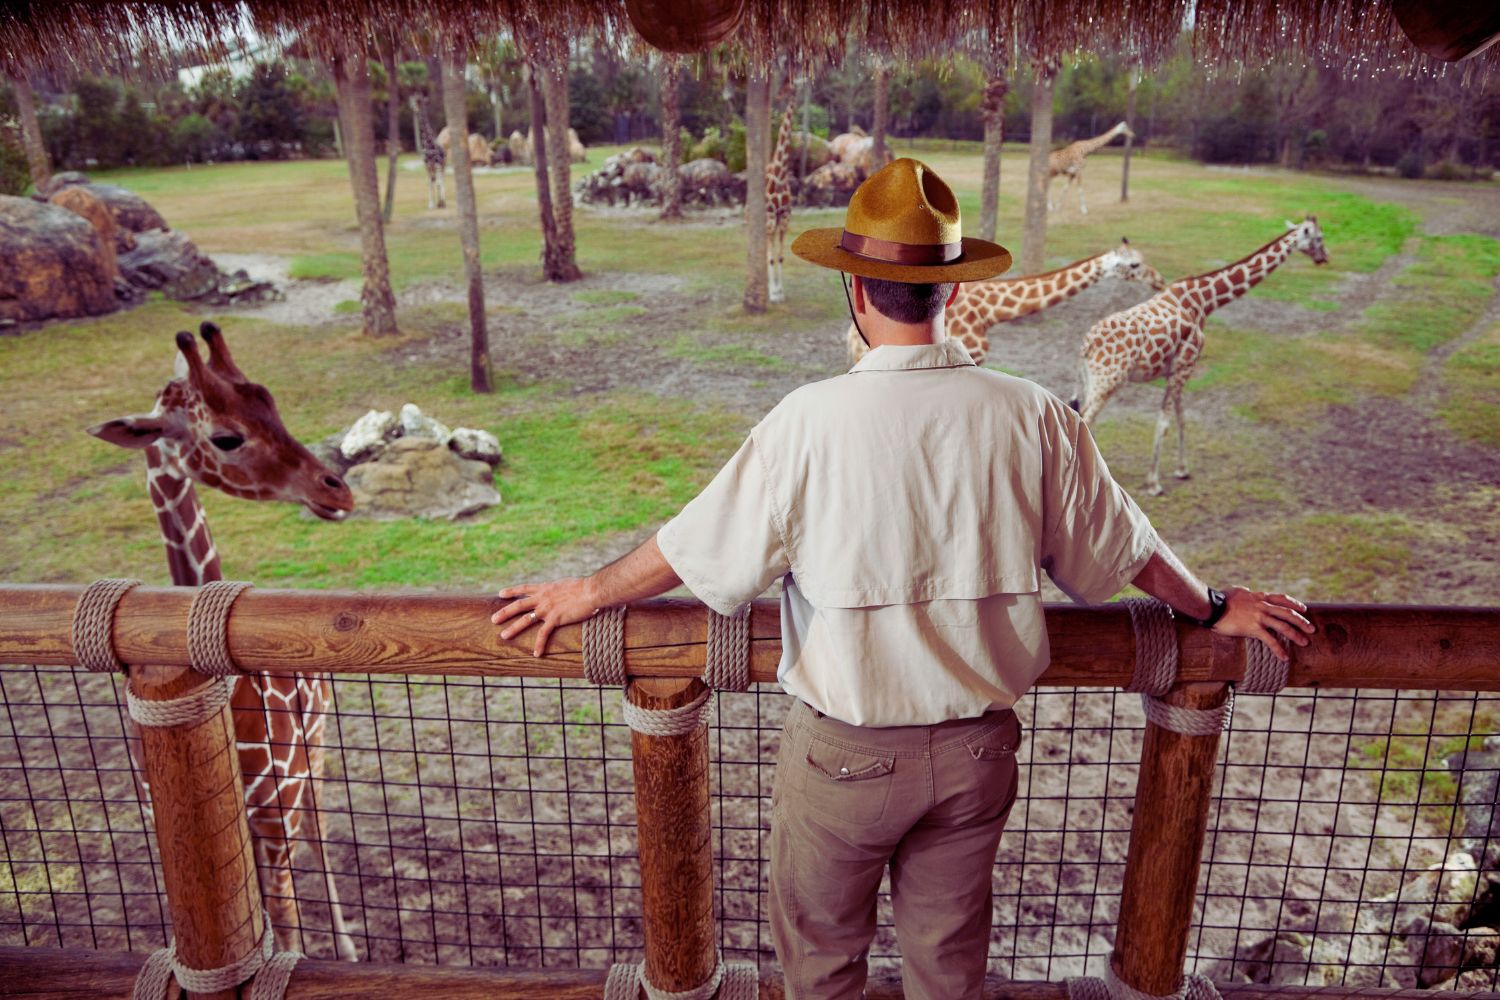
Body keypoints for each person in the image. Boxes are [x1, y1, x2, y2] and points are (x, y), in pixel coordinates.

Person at [490, 157, 1314, 1000]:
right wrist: (1213, 605)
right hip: (979, 753)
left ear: (854, 290)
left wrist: (585, 594)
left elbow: (700, 552)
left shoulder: (805, 423)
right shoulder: (1032, 413)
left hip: (844, 756)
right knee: (949, 972)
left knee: (821, 966)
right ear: (952, 293)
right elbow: (1125, 550)